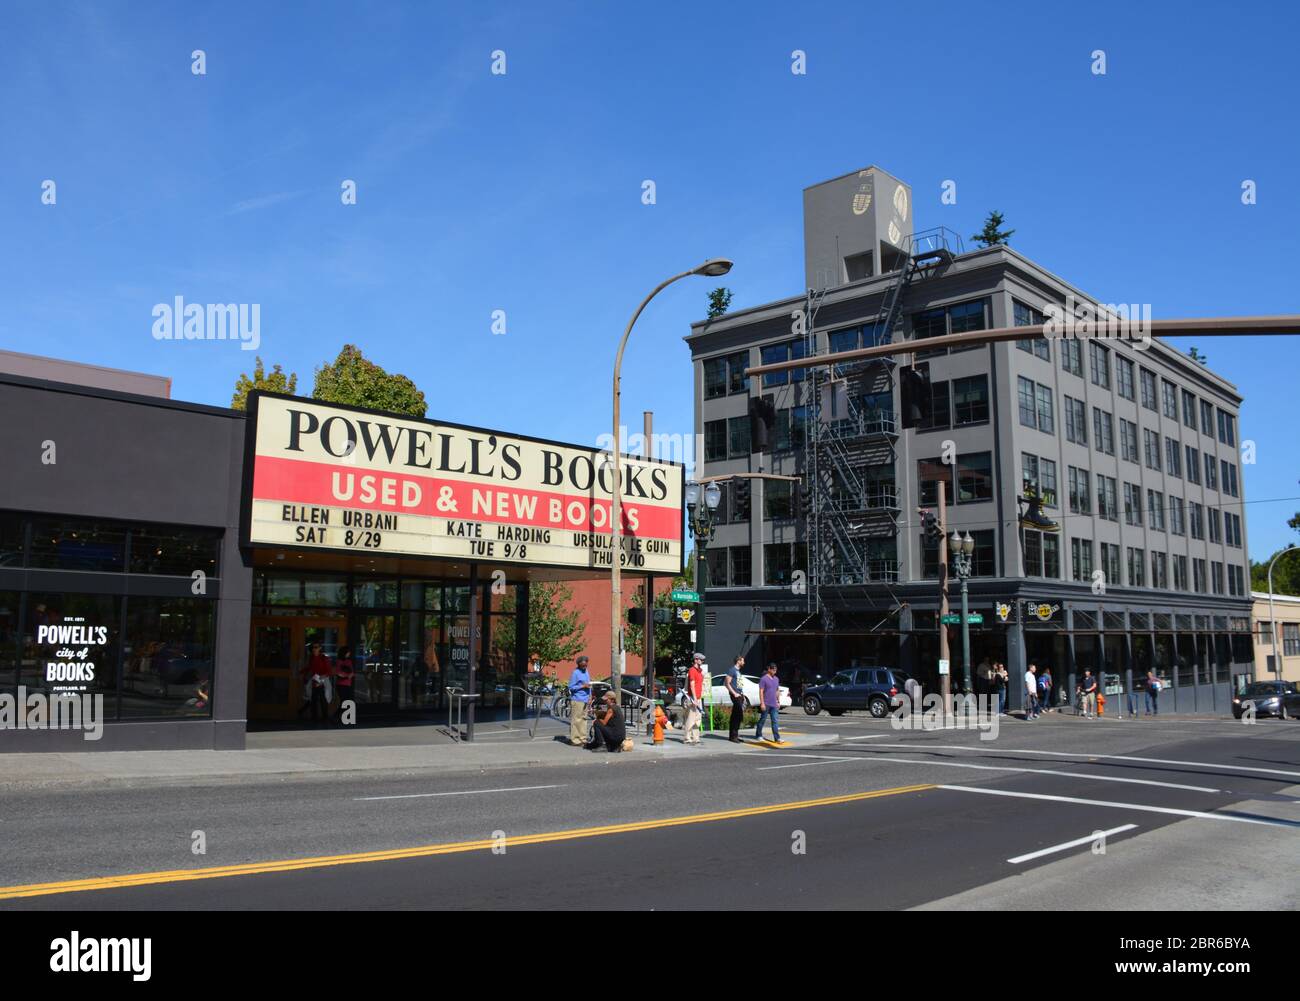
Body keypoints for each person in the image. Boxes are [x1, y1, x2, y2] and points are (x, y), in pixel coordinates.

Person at [301, 642, 334, 724]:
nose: (314, 649)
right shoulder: (311, 658)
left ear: (320, 648)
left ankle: (325, 717)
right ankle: (314, 718)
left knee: (323, 699)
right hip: (314, 681)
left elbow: (329, 671)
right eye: (313, 647)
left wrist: (322, 677)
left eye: (316, 647)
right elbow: (309, 668)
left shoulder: (324, 658)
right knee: (313, 700)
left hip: (322, 681)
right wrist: (302, 673)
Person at [568, 654, 592, 747]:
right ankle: (575, 739)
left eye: (586, 665)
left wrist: (590, 696)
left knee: (583, 719)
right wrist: (582, 686)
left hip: (585, 699)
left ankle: (583, 738)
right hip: (577, 699)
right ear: (579, 664)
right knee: (576, 720)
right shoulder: (575, 673)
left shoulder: (586, 672)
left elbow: (589, 685)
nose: (584, 667)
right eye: (583, 665)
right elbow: (571, 687)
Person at [755, 662, 782, 742]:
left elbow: (777, 690)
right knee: (762, 719)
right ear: (769, 669)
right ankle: (758, 735)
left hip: (774, 704)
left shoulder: (776, 679)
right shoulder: (763, 679)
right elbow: (761, 691)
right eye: (773, 670)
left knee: (775, 721)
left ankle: (777, 738)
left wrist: (778, 701)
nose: (775, 671)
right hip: (766, 703)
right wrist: (762, 703)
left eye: (775, 670)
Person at [683, 652, 705, 745]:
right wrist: (695, 699)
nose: (702, 661)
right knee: (691, 719)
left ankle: (696, 738)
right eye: (701, 659)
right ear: (696, 659)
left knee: (697, 720)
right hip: (693, 698)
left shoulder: (700, 671)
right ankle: (687, 738)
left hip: (698, 698)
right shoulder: (692, 670)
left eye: (703, 660)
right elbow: (692, 685)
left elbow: (699, 685)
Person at [725, 655, 746, 743]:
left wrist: (742, 694)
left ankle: (734, 735)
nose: (744, 662)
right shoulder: (732, 670)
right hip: (735, 695)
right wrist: (734, 693)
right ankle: (733, 736)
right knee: (737, 715)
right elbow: (727, 683)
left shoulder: (738, 672)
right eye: (743, 661)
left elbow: (739, 685)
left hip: (739, 695)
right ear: (738, 661)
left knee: (736, 715)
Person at [333, 646, 356, 722]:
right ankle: (337, 716)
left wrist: (349, 675)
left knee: (348, 701)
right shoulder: (339, 661)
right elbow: (338, 672)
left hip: (348, 684)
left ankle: (341, 717)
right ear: (344, 652)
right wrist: (347, 675)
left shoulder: (349, 661)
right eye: (348, 652)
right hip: (341, 684)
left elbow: (352, 672)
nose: (349, 653)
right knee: (344, 701)